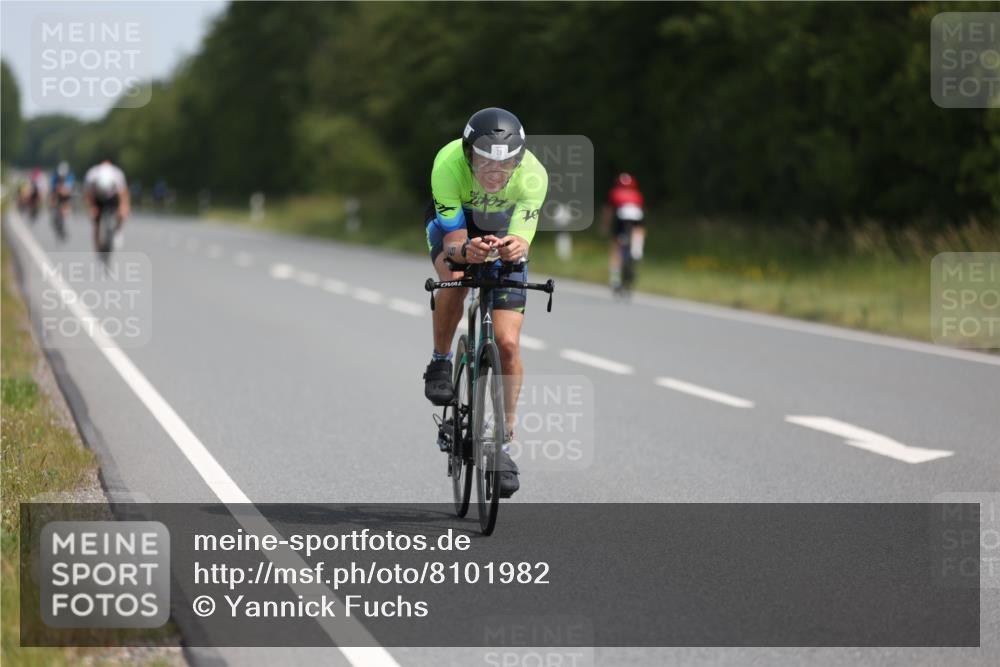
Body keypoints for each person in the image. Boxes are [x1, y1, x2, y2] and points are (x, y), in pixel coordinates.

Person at [422, 107, 548, 497]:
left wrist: (515, 245)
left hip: (505, 228)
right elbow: (453, 241)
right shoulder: (447, 164)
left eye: (505, 164)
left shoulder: (534, 175)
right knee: (454, 277)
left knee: (508, 344)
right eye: (484, 163)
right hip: (460, 227)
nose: (495, 174)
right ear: (467, 153)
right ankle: (441, 361)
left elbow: (524, 238)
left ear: (519, 159)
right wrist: (465, 251)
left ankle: (504, 440)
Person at [601, 173, 646, 293]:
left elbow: (609, 212)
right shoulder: (638, 195)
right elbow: (642, 216)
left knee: (616, 248)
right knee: (639, 231)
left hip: (620, 222)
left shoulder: (614, 193)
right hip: (636, 221)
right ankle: (637, 249)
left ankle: (614, 279)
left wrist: (605, 227)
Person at [83, 157, 130, 251]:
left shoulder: (117, 174)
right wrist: (92, 207)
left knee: (121, 214)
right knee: (96, 222)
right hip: (97, 197)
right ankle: (97, 248)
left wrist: (124, 207)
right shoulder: (92, 175)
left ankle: (118, 230)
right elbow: (88, 195)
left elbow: (123, 194)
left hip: (112, 196)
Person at [50, 161, 75, 237]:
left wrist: (65, 191)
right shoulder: (55, 176)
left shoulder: (70, 176)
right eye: (60, 177)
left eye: (63, 177)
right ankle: (54, 214)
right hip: (57, 192)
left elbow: (69, 189)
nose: (62, 178)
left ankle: (64, 214)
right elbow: (53, 189)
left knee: (66, 204)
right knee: (53, 201)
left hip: (65, 194)